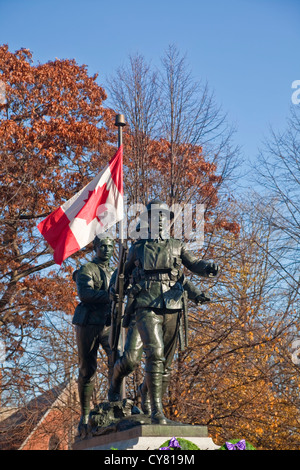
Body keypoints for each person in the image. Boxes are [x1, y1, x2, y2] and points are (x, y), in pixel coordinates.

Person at [109, 200, 219, 425]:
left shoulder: (177, 245)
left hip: (173, 304)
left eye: (163, 218)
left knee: (165, 365)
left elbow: (195, 263)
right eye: (154, 218)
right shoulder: (137, 248)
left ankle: (145, 392)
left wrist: (208, 267)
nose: (159, 222)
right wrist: (115, 288)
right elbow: (121, 273)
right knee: (155, 355)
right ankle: (156, 411)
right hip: (146, 304)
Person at [72, 235, 115, 436]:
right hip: (88, 322)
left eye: (110, 246)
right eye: (103, 246)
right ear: (96, 248)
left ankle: (115, 402)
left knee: (118, 359)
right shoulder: (87, 269)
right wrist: (111, 295)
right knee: (87, 369)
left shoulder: (116, 272)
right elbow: (85, 294)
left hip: (108, 324)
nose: (107, 249)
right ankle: (85, 414)